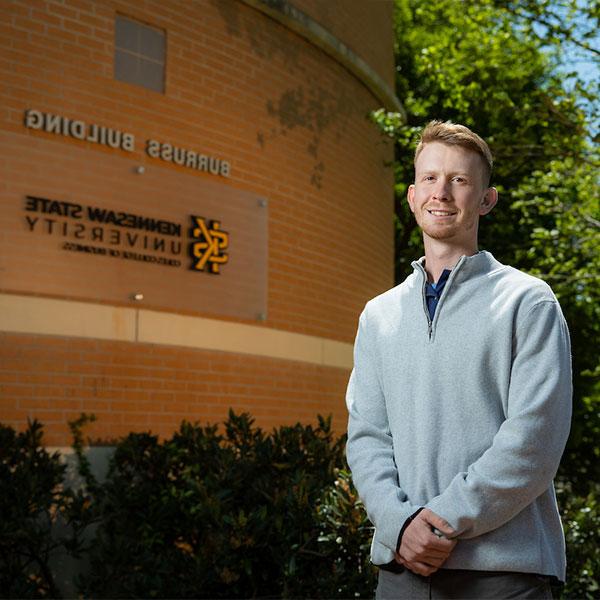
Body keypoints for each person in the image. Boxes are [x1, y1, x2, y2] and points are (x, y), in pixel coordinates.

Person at [346, 120, 572, 599]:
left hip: (504, 573)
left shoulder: (527, 302)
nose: (441, 193)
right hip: (402, 571)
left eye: (460, 180)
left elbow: (535, 438)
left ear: (486, 199)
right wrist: (401, 524)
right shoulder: (378, 316)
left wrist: (443, 522)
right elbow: (367, 438)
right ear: (411, 195)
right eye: (429, 178)